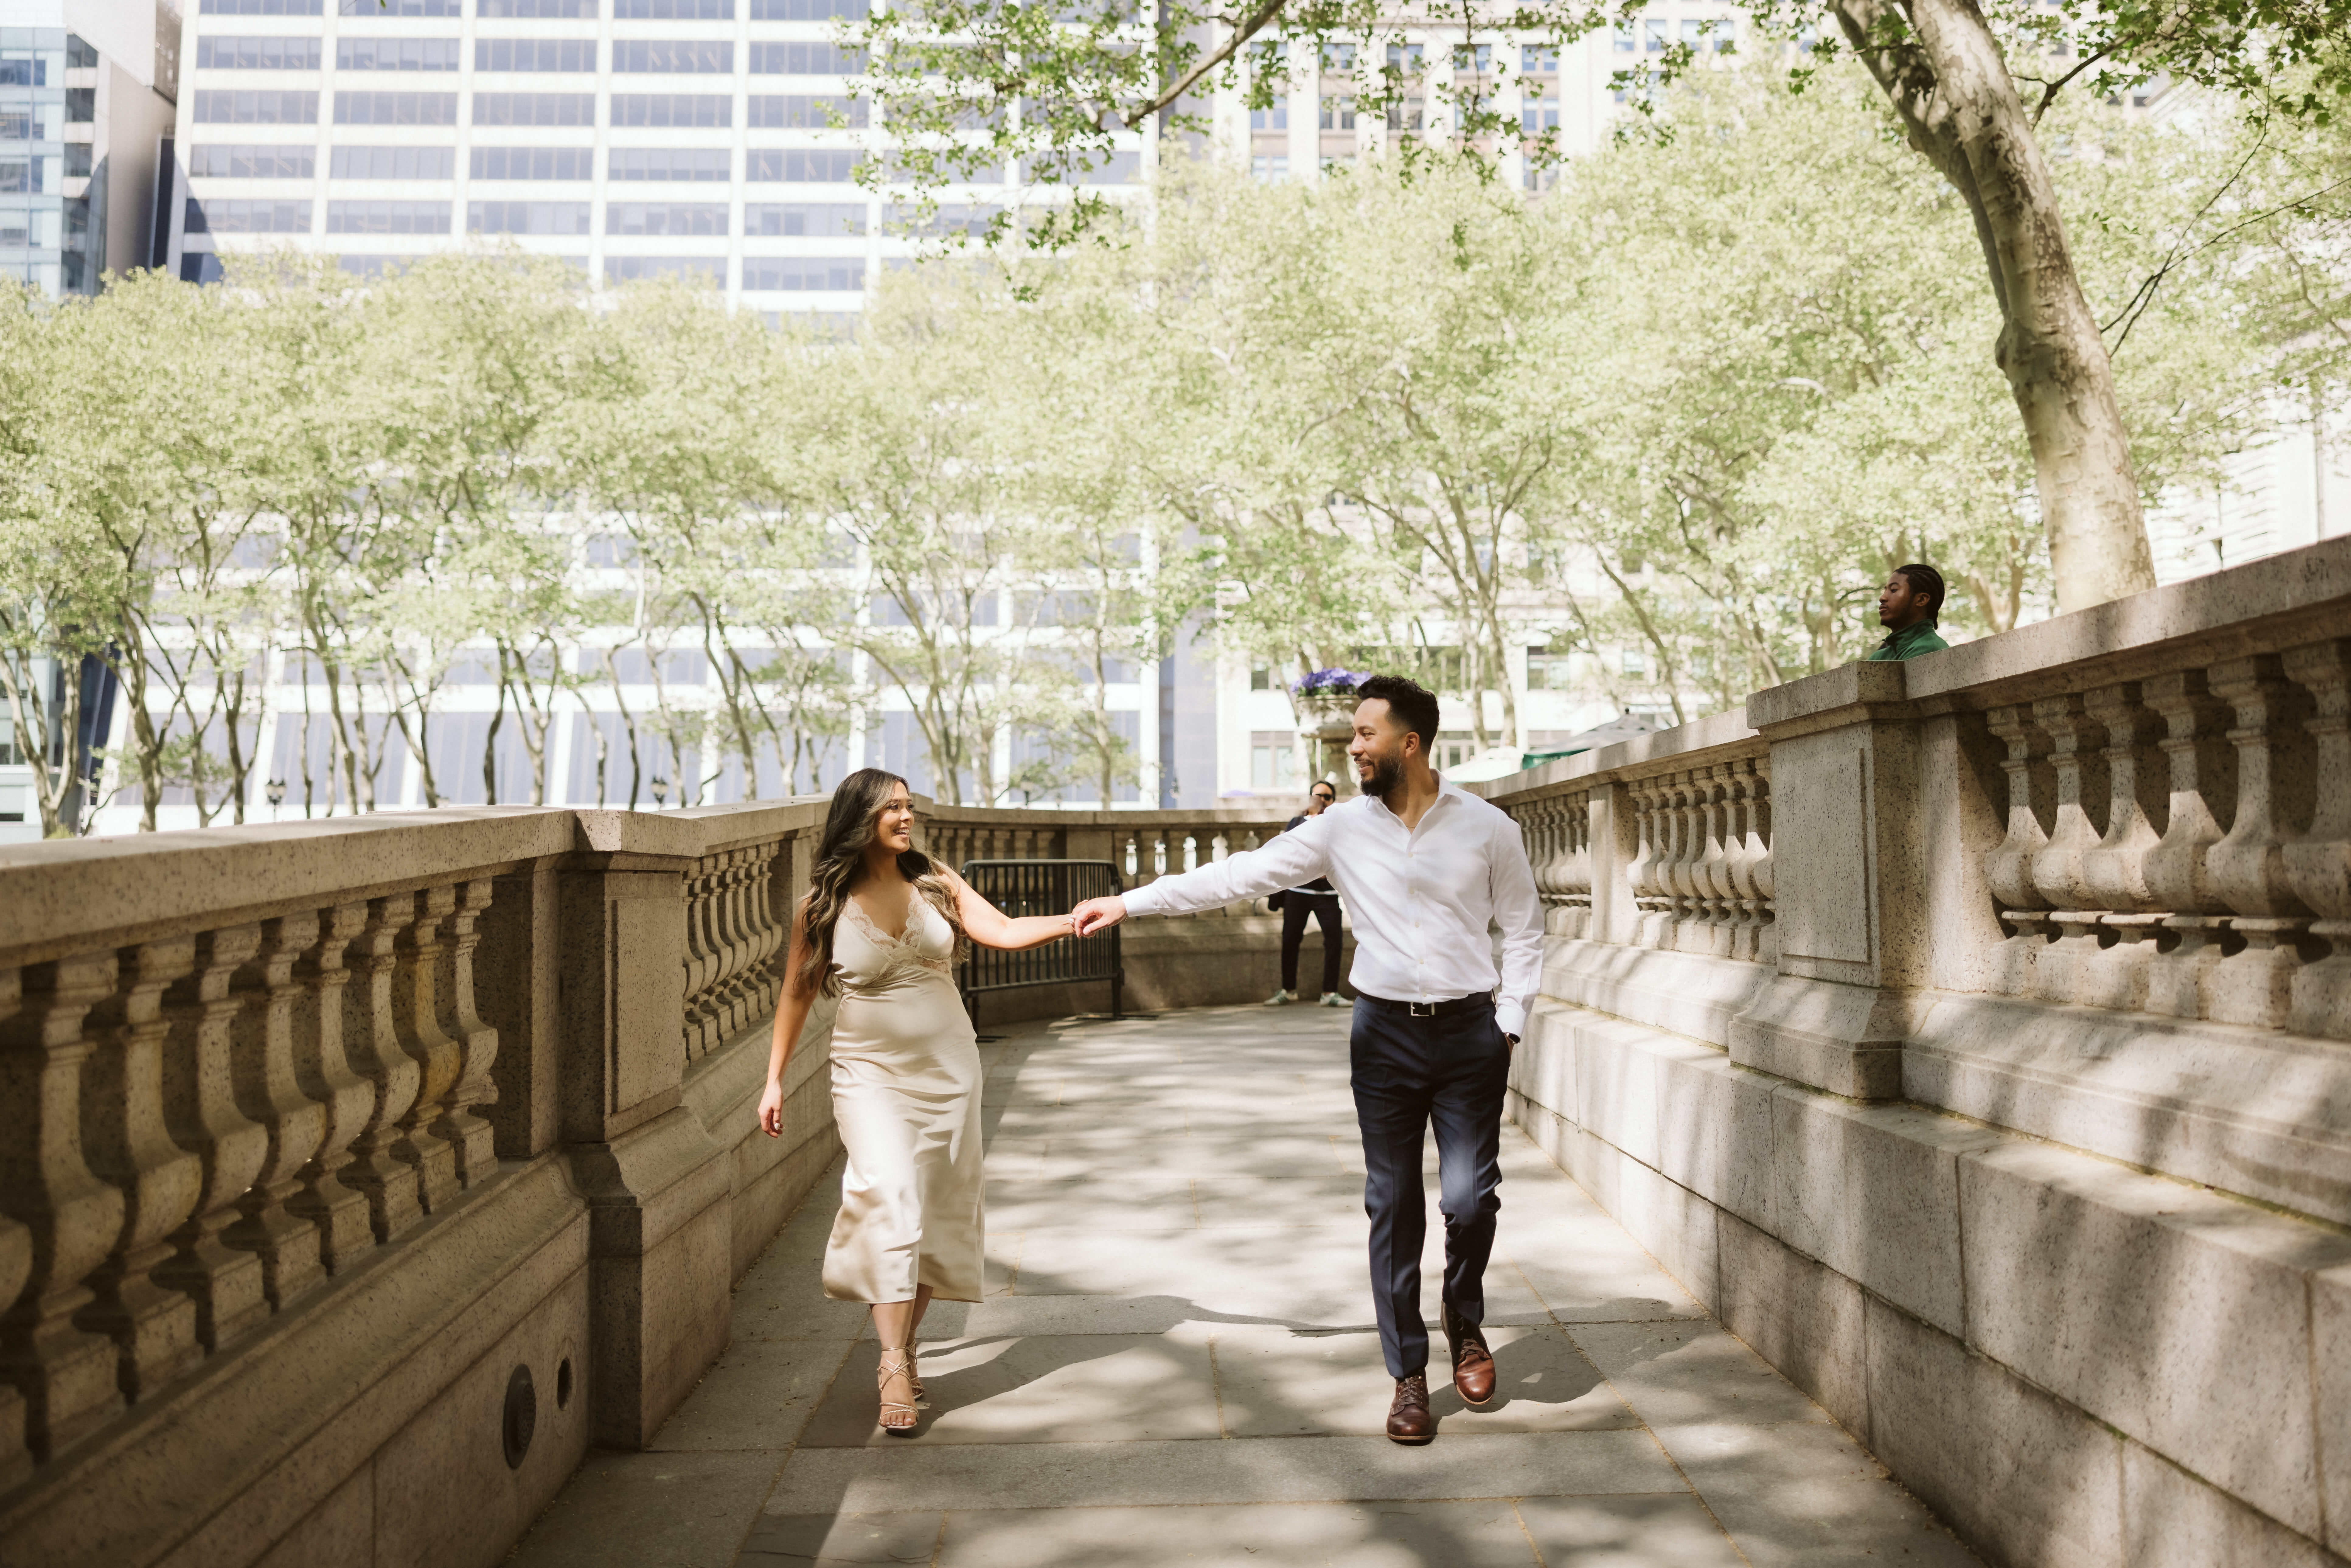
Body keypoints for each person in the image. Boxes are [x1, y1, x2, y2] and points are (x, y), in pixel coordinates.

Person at [1073, 674, 1542, 1446]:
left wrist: (1509, 1024)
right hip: (1384, 1036)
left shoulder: (1488, 827)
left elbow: (1524, 930)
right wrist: (1130, 902)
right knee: (1393, 1205)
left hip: (1469, 1038)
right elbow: (1236, 874)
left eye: (1365, 734)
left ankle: (1466, 1317)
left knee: (1469, 1199)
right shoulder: (1339, 830)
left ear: (1409, 743)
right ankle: (1409, 1375)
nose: (1353, 747)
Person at [757, 769, 1075, 1435]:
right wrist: (774, 1079)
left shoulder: (933, 877)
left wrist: (1075, 919)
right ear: (860, 817)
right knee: (891, 1192)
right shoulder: (822, 905)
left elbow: (1003, 930)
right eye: (892, 808)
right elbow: (795, 993)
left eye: (909, 806)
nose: (907, 817)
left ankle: (902, 1348)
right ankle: (893, 1363)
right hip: (869, 1072)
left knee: (934, 1212)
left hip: (951, 1070)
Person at [1266, 778, 1347, 1008]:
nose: (1321, 800)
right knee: (1290, 940)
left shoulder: (1337, 822)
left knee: (1334, 941)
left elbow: (1344, 852)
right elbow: (1287, 850)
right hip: (1298, 891)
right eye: (1316, 795)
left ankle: (1330, 992)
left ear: (1333, 801)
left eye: (1327, 797)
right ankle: (1288, 990)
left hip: (1327, 895)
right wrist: (1310, 817)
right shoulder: (1297, 821)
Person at [1866, 563, 1951, 661]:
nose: (1882, 598)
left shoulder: (1929, 649)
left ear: (1921, 600)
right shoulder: (1879, 657)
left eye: (1894, 590)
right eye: (1885, 591)